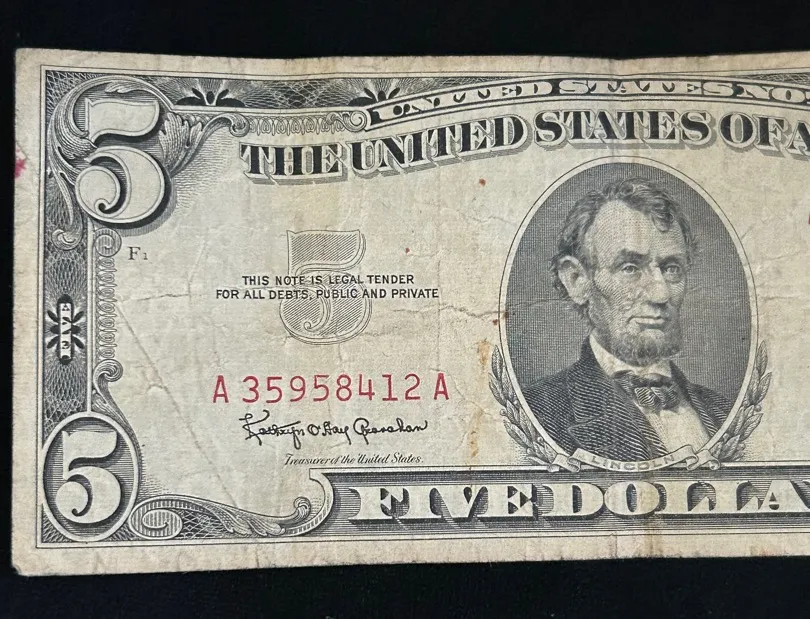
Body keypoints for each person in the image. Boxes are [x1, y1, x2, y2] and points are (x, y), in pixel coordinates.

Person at [522, 177, 731, 462]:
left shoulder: (723, 411)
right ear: (577, 280)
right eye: (630, 268)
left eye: (671, 268)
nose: (660, 294)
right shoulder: (537, 411)